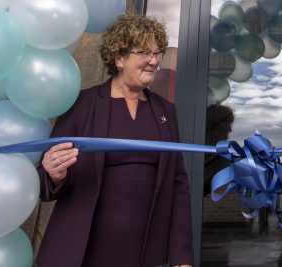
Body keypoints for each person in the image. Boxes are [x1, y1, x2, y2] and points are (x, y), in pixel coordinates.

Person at [36, 13, 194, 267]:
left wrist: (182, 257)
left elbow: (178, 185)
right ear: (119, 58)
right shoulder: (81, 105)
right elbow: (44, 182)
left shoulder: (166, 112)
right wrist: (54, 174)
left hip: (143, 252)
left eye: (157, 53)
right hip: (81, 251)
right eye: (145, 53)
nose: (154, 61)